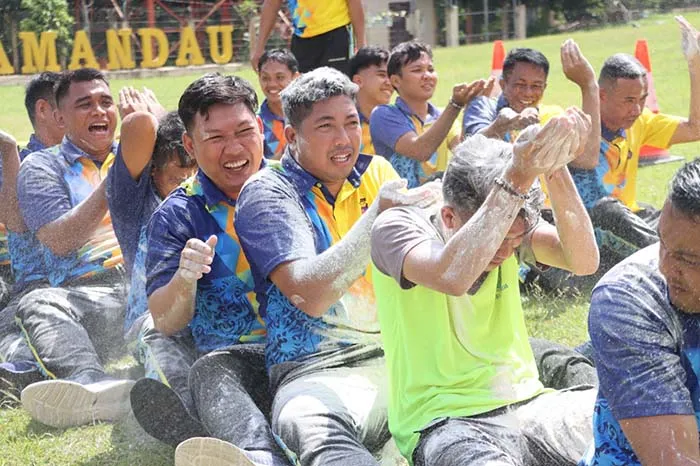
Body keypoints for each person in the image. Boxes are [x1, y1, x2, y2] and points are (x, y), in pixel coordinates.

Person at [230, 67, 439, 466]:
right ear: (292, 137)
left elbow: (426, 263)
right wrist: (377, 215)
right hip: (314, 372)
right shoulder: (267, 192)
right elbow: (307, 293)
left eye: (352, 122)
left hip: (399, 356)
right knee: (316, 433)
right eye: (326, 126)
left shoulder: (376, 172)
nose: (344, 139)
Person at [371, 109, 600, 465]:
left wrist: (553, 167)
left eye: (515, 240)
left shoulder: (510, 226)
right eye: (500, 239)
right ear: (449, 216)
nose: (507, 250)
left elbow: (584, 261)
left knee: (622, 427)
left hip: (532, 405)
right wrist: (517, 175)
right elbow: (452, 277)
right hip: (445, 423)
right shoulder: (397, 226)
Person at [137, 74, 290, 464]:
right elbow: (165, 321)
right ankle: (257, 454)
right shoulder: (176, 216)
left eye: (243, 131)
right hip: (238, 366)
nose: (234, 149)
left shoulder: (297, 187)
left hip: (310, 355)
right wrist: (186, 278)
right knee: (209, 372)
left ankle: (199, 423)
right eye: (215, 138)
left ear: (259, 128)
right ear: (189, 145)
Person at [14, 68, 132, 428]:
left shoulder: (142, 156)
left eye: (105, 102)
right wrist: (119, 176)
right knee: (37, 303)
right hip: (86, 294)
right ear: (60, 117)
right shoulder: (41, 166)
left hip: (147, 287)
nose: (99, 111)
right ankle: (93, 385)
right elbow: (60, 241)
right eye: (85, 104)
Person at [580, 158, 700, 466]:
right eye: (662, 241)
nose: (666, 267)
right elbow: (676, 461)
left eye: (688, 259)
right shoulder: (629, 300)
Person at [571, 16, 700, 279]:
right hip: (587, 228)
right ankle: (678, 263)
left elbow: (695, 128)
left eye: (642, 99)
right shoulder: (576, 124)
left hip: (628, 216)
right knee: (610, 212)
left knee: (675, 212)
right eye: (629, 100)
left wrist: (695, 64)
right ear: (601, 95)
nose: (637, 108)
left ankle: (683, 253)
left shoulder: (639, 122)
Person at [0, 72, 66, 394]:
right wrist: (9, 153)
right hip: (31, 284)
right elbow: (16, 224)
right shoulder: (19, 164)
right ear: (44, 110)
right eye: (74, 104)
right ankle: (18, 368)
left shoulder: (94, 160)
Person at [370, 40, 491, 188]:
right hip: (400, 207)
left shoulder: (443, 116)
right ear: (395, 80)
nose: (427, 75)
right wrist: (455, 105)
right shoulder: (383, 115)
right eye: (417, 70)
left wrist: (475, 109)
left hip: (437, 204)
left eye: (431, 69)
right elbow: (420, 151)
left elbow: (467, 154)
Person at [250, 0, 366, 75]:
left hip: (336, 33)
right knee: (303, 100)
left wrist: (361, 45)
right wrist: (259, 48)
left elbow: (354, 2)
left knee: (336, 94)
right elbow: (271, 4)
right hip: (301, 38)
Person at [348, 45, 392, 155]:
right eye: (382, 75)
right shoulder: (344, 125)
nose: (389, 82)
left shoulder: (399, 120)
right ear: (358, 81)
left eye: (391, 76)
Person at [257, 49, 300, 160]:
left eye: (280, 77)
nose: (272, 84)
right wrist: (286, 153)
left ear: (295, 78)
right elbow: (256, 169)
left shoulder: (309, 115)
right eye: (265, 78)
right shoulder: (256, 124)